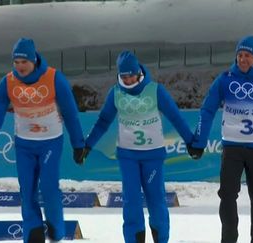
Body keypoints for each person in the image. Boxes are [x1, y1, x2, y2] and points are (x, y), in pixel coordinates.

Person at [0, 37, 85, 243]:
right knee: (27, 191)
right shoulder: (8, 82)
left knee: (49, 187)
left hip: (50, 142)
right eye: (16, 62)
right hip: (24, 144)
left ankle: (55, 231)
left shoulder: (54, 78)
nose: (20, 67)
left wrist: (78, 143)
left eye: (24, 62)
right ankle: (33, 233)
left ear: (34, 60)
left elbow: (71, 113)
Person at [189, 36, 253, 243]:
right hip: (232, 150)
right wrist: (199, 142)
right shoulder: (226, 79)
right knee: (227, 196)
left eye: (247, 55)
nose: (242, 59)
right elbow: (207, 110)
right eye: (239, 55)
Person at [81, 51, 194, 243]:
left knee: (156, 201)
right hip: (128, 156)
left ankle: (161, 239)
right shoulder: (116, 93)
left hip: (152, 156)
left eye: (131, 75)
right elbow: (103, 122)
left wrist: (191, 141)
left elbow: (175, 117)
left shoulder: (155, 90)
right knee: (131, 201)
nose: (127, 80)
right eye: (123, 76)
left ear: (139, 73)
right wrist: (87, 145)